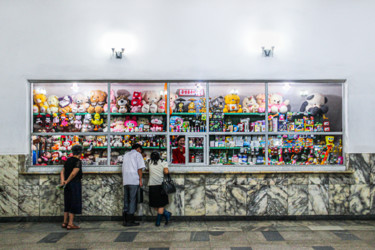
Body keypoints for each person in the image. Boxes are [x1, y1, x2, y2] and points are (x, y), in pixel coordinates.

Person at [60, 144, 83, 230]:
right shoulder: (78, 161)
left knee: (67, 202)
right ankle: (70, 224)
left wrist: (63, 181)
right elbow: (74, 173)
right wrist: (68, 180)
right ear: (80, 153)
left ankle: (64, 222)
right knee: (74, 202)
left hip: (67, 184)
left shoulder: (68, 160)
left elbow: (62, 172)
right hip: (74, 184)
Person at [122, 144, 146, 226]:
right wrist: (140, 180)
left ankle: (125, 219)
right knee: (132, 200)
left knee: (126, 199)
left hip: (126, 180)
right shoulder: (137, 154)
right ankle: (130, 220)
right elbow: (140, 169)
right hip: (133, 179)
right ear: (138, 149)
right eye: (140, 150)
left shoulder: (125, 154)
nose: (140, 151)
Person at [147, 151, 172, 226]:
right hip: (161, 185)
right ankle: (165, 215)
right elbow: (166, 172)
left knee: (154, 204)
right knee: (160, 204)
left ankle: (160, 220)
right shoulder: (163, 162)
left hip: (152, 185)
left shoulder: (149, 162)